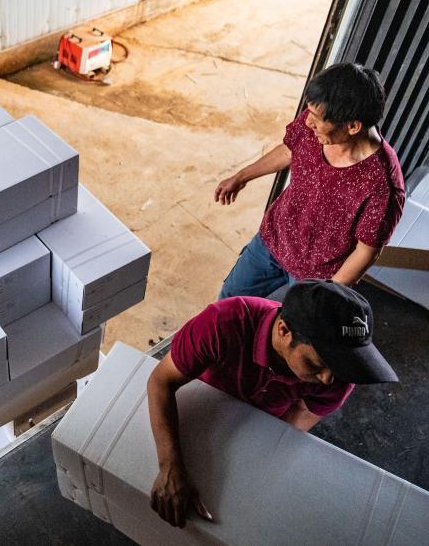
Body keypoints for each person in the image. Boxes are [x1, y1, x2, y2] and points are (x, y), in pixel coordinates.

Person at [147, 280, 398, 528]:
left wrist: (258, 462)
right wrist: (169, 465)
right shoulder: (222, 323)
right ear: (284, 331)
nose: (327, 379)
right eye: (318, 364)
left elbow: (301, 416)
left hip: (263, 420)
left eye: (340, 366)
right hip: (204, 404)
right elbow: (161, 381)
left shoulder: (340, 373)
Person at [214, 63, 405, 299]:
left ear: (353, 126)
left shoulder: (382, 185)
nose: (307, 122)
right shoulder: (317, 124)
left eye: (316, 118)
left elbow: (366, 251)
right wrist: (241, 177)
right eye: (309, 113)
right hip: (271, 242)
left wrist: (325, 294)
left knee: (280, 321)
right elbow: (289, 151)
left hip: (314, 278)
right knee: (229, 301)